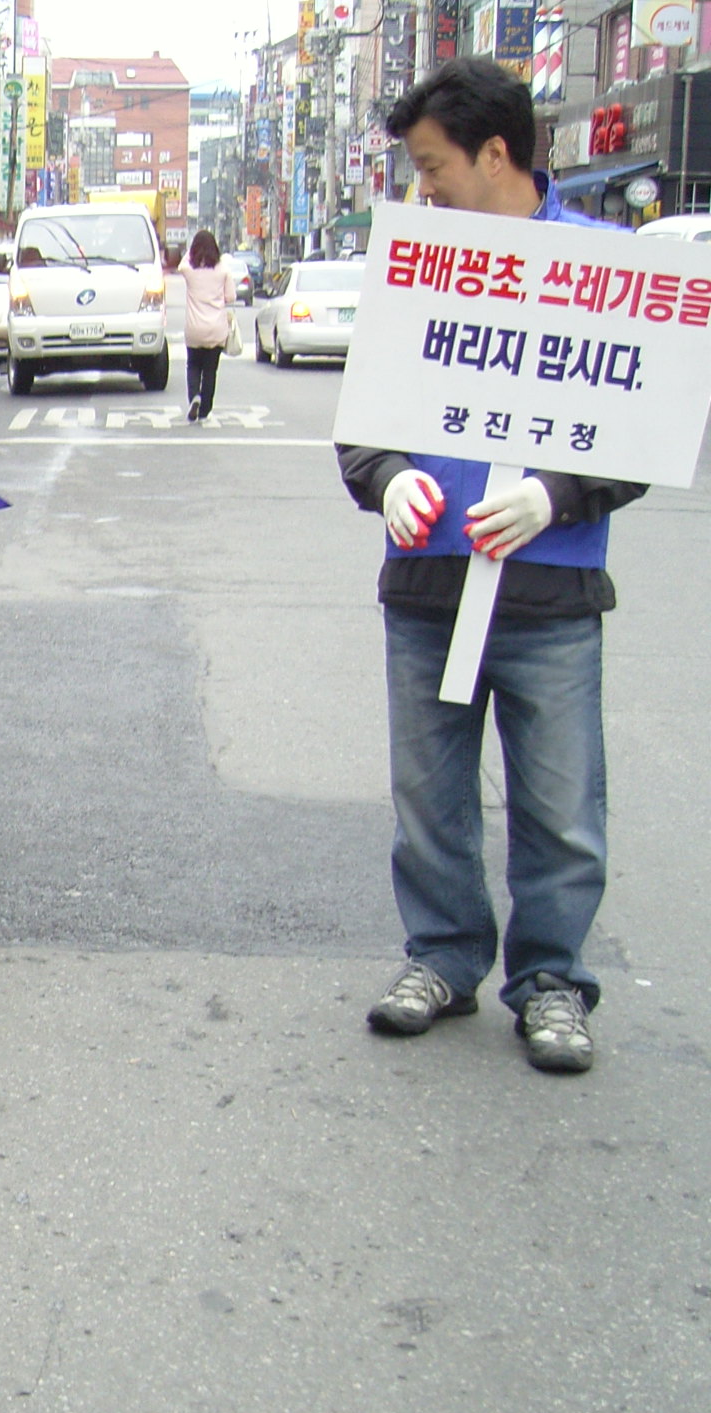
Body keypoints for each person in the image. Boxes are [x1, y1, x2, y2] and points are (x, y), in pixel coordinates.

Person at [337, 57, 647, 1075]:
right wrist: (385, 480)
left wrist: (554, 494)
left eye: (431, 168)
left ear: (496, 154)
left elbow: (642, 433)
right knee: (427, 796)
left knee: (559, 805)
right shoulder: (412, 271)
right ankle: (439, 955)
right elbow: (360, 429)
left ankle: (550, 980)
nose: (420, 189)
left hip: (549, 592)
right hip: (425, 585)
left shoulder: (603, 269)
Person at [180, 229, 235, 424]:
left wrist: (193, 252)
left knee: (193, 365)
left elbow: (182, 264)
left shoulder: (189, 271)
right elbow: (231, 297)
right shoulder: (223, 270)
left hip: (194, 329)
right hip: (216, 328)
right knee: (210, 370)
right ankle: (204, 410)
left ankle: (194, 396)